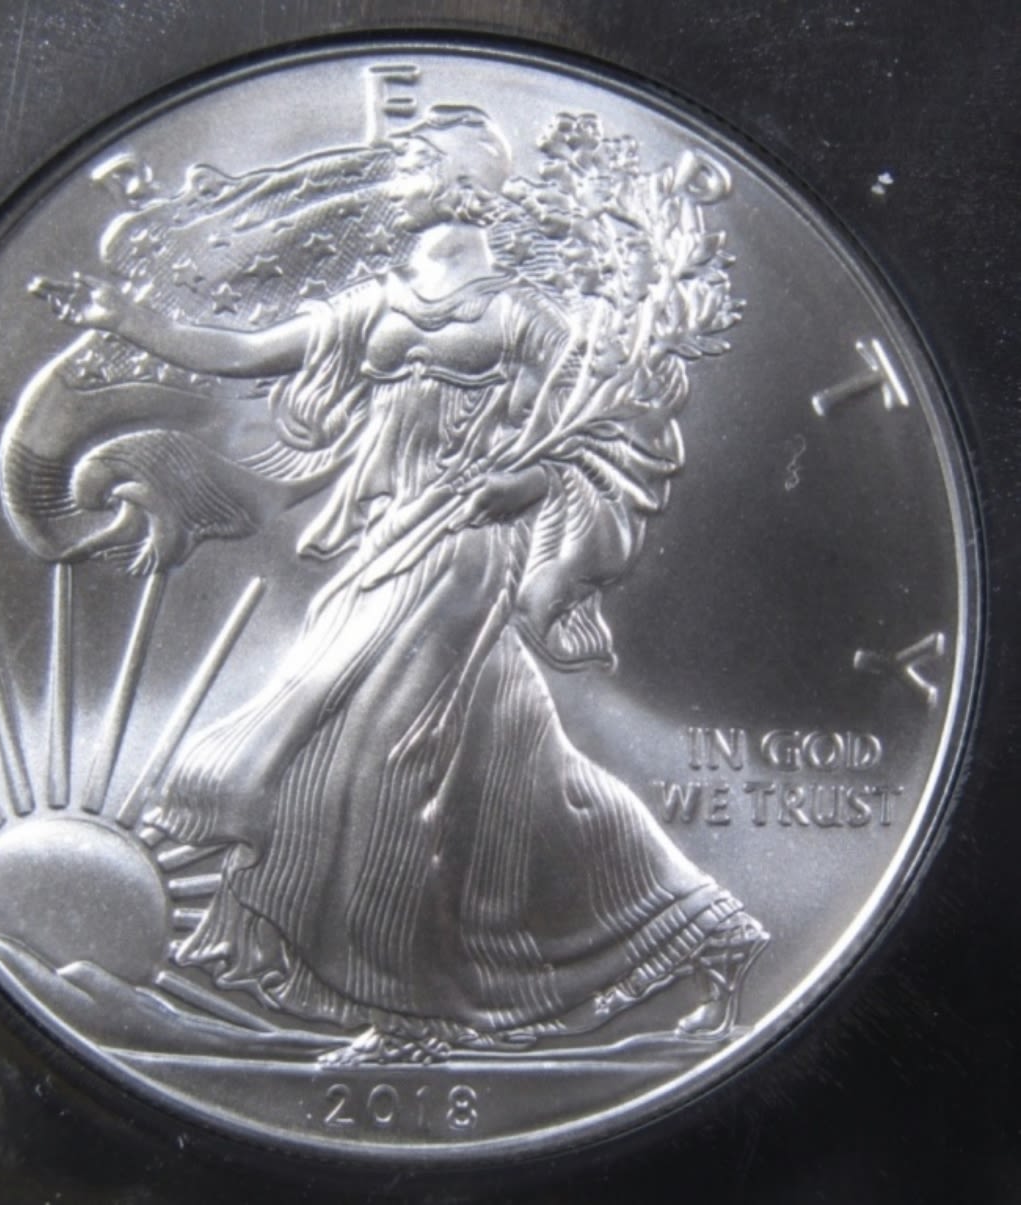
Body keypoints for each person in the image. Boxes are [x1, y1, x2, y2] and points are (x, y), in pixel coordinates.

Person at [51, 105, 767, 1062]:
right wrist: (132, 323)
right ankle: (705, 932)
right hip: (387, 540)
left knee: (387, 758)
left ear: (463, 185)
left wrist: (528, 481)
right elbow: (250, 353)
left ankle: (407, 1016)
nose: (393, 177)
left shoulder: (521, 315)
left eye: (414, 162)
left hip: (466, 550)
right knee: (517, 772)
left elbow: (606, 434)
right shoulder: (374, 304)